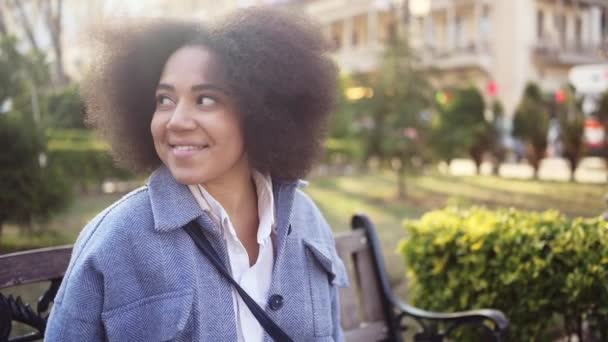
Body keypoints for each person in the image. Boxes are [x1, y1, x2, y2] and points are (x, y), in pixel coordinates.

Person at [45, 6, 348, 341]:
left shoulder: (307, 222)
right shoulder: (115, 241)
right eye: (164, 99)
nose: (176, 121)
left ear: (261, 110)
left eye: (205, 99)